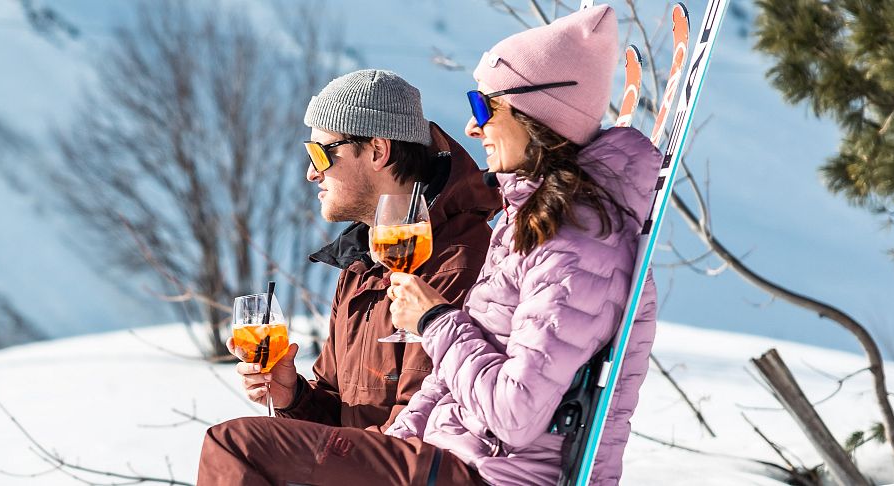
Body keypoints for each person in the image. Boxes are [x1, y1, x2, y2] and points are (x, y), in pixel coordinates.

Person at [201, 6, 660, 485]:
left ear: (534, 114)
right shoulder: (512, 233)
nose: (471, 125)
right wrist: (294, 397)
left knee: (235, 445)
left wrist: (433, 321)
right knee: (244, 448)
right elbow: (429, 399)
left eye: (484, 107)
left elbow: (514, 412)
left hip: (486, 473)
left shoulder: (567, 247)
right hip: (452, 457)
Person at [239, 69, 500, 431]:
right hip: (359, 467)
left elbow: (418, 434)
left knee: (239, 442)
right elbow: (338, 417)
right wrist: (293, 396)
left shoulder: (458, 264)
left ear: (378, 150)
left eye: (320, 153)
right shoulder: (360, 270)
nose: (311, 173)